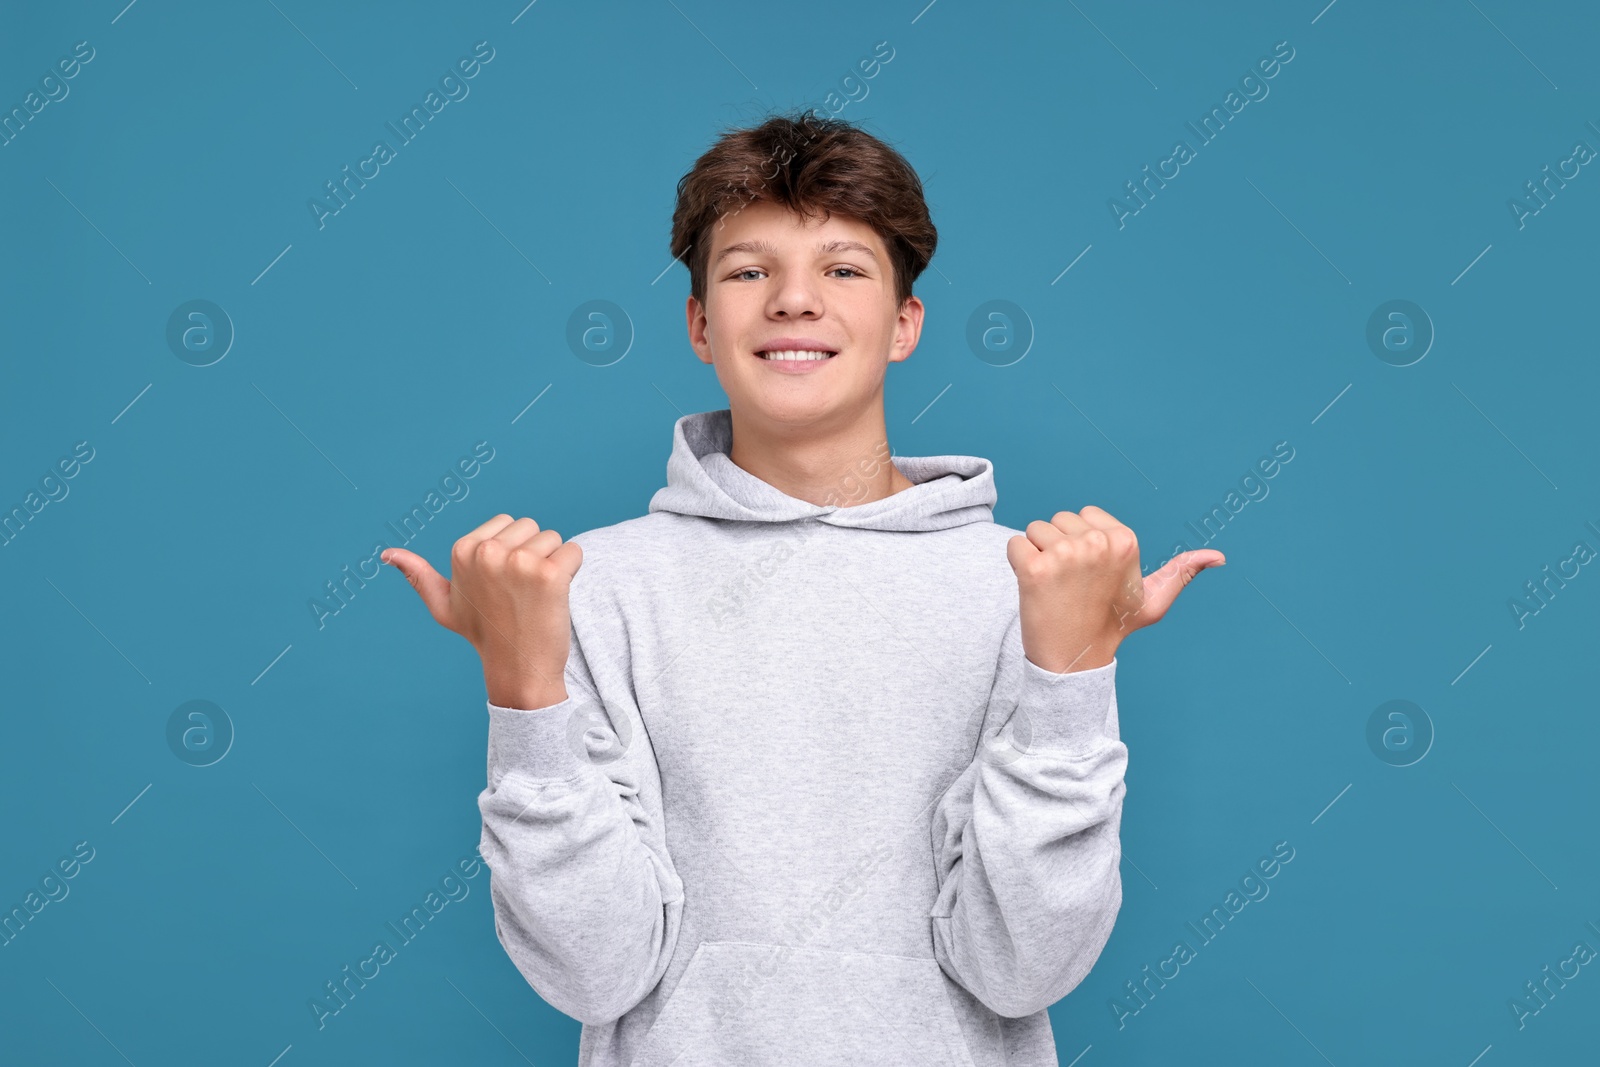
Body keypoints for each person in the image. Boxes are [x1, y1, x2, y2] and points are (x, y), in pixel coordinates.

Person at [383, 109, 1223, 1067]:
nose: (793, 300)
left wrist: (1071, 677)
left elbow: (1022, 970)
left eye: (843, 269)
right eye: (748, 271)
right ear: (700, 324)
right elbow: (594, 975)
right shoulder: (586, 584)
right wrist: (522, 688)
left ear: (905, 323)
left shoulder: (1027, 586)